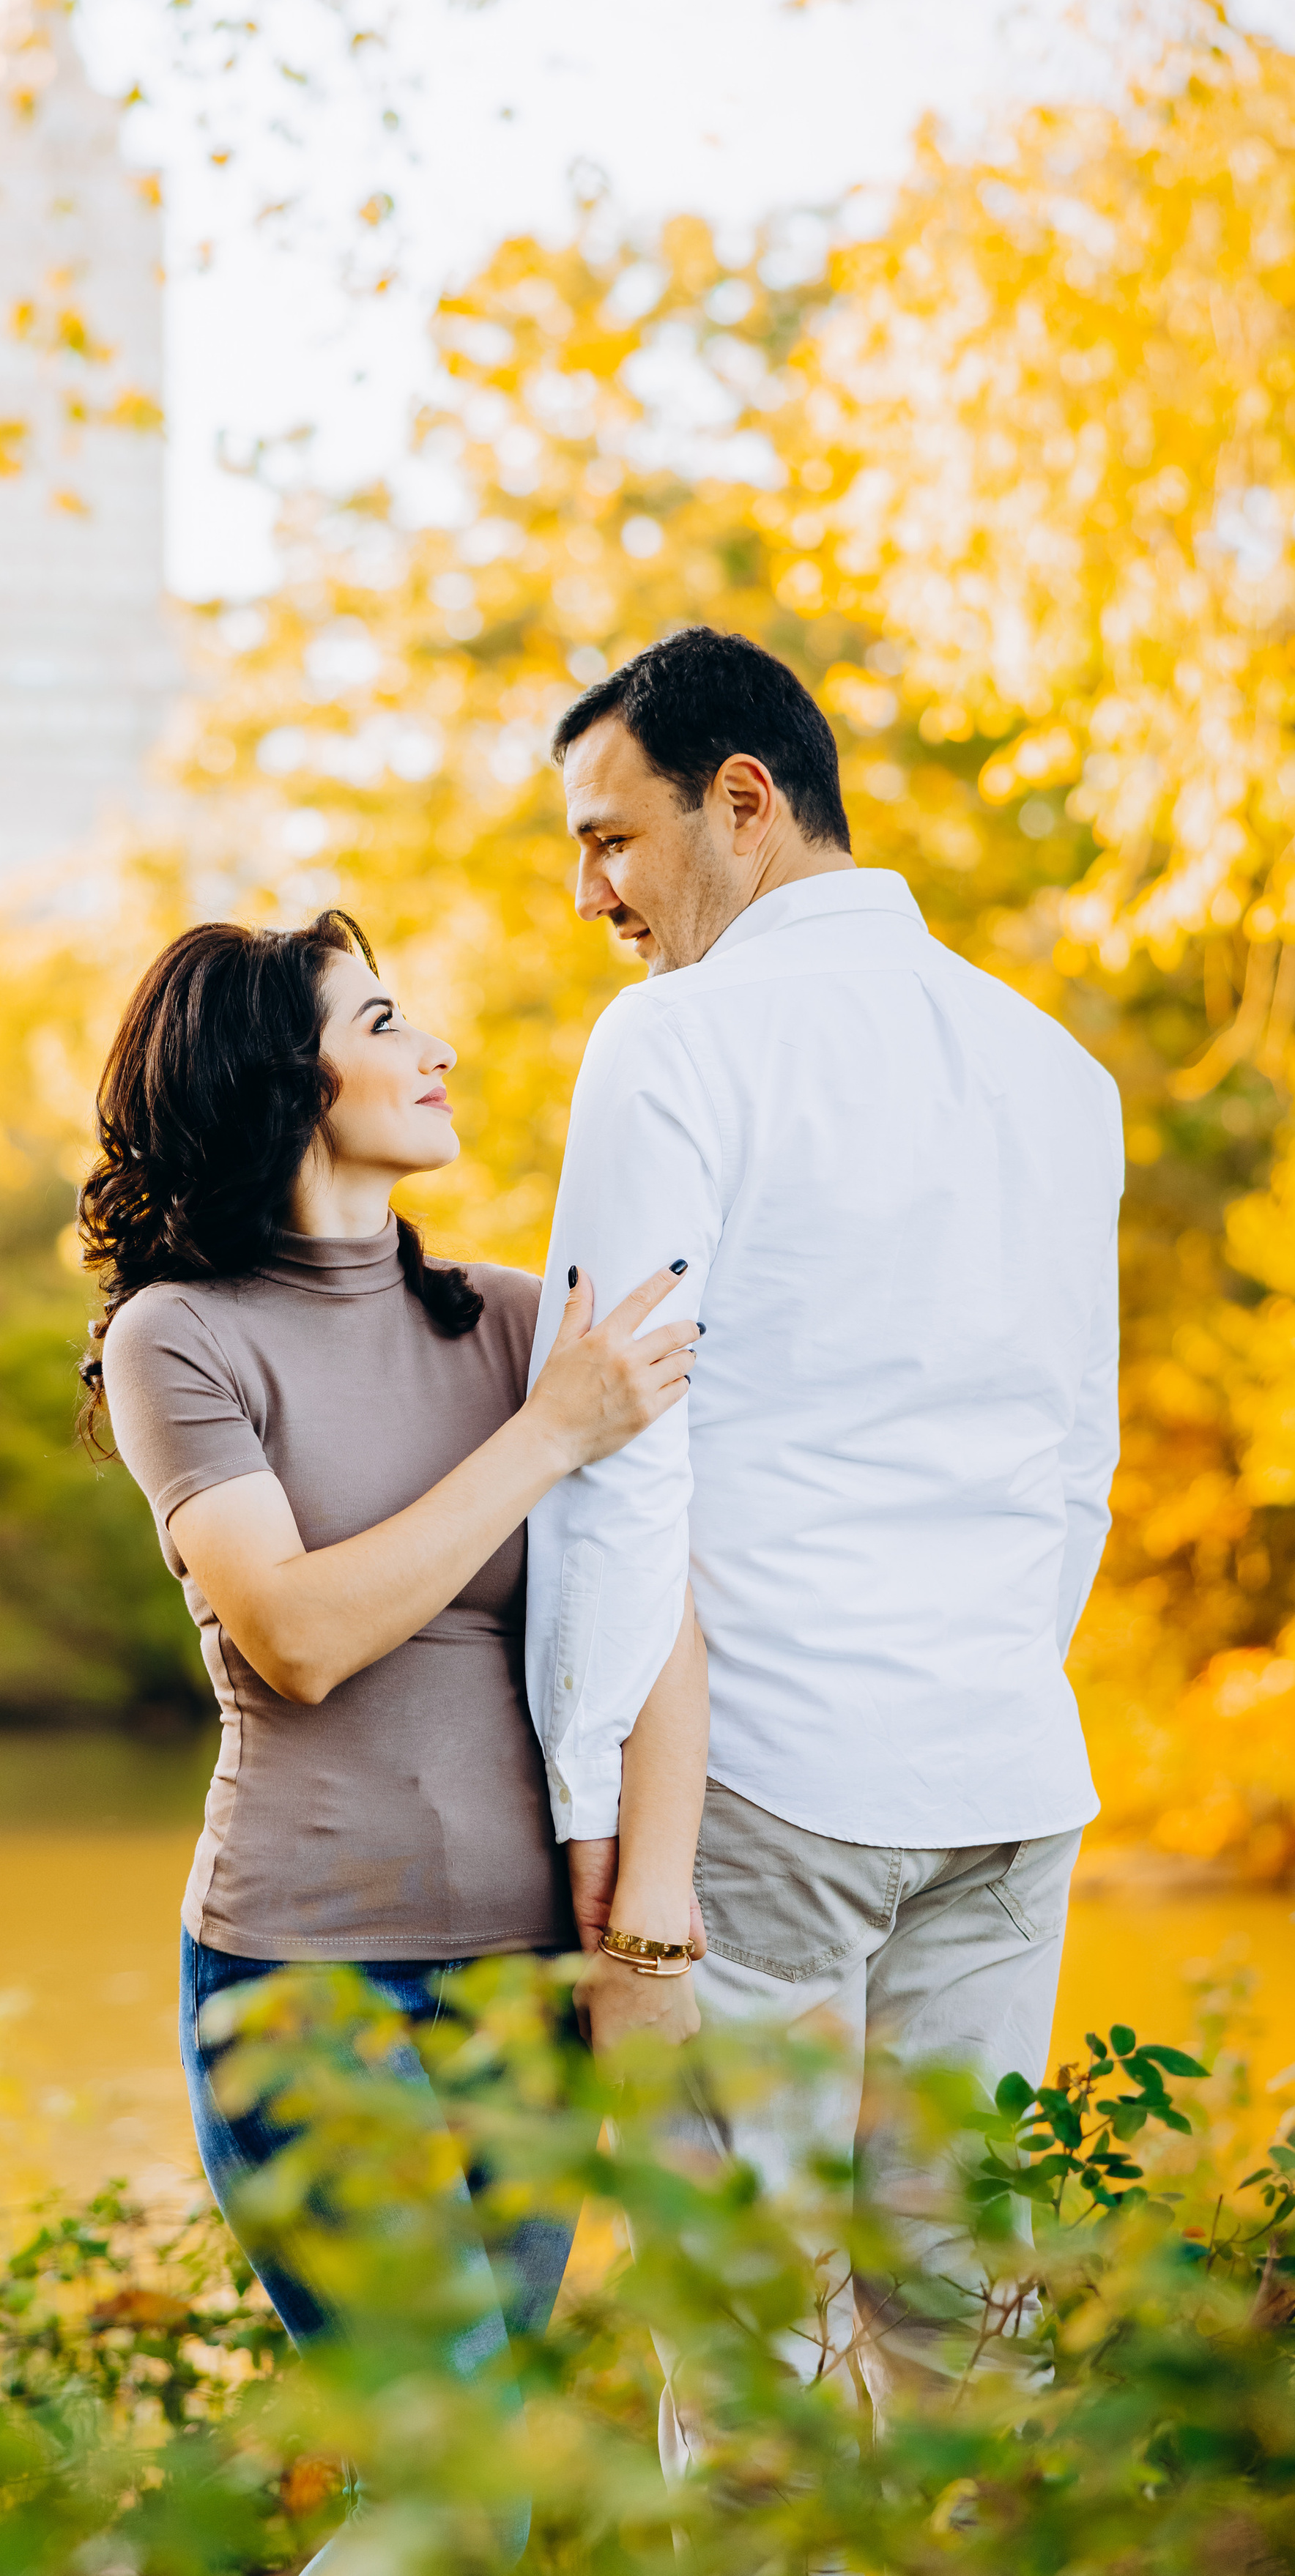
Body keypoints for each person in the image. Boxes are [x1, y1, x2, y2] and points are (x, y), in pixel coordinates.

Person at [524, 624, 1123, 2446]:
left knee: (745, 2366)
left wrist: (590, 1809)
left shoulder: (678, 1038)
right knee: (967, 2332)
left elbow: (612, 1442)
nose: (590, 893)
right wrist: (993, 1668)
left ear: (741, 800)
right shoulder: (1055, 1069)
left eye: (610, 837)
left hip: (765, 1782)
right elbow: (1072, 1461)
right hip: (1007, 1770)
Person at [78, 907, 702, 2564]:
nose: (438, 1049)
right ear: (283, 1077)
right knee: (455, 2489)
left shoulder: (511, 1317)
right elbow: (298, 1634)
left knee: (474, 2478)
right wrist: (549, 1435)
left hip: (523, 1992)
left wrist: (647, 1923)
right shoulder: (178, 1335)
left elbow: (659, 1622)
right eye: (385, 1019)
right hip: (302, 1982)